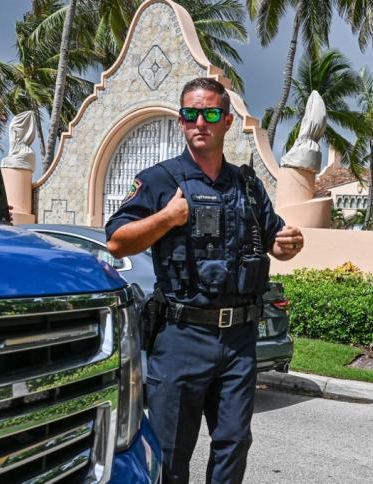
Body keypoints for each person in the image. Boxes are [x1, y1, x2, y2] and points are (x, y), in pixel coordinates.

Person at [105, 77, 303, 483]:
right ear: (181, 121)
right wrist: (166, 218)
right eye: (191, 114)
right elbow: (117, 241)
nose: (200, 122)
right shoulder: (160, 180)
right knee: (170, 451)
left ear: (226, 121)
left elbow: (275, 241)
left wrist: (288, 244)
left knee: (234, 444)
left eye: (211, 114)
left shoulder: (248, 186)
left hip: (239, 340)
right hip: (182, 336)